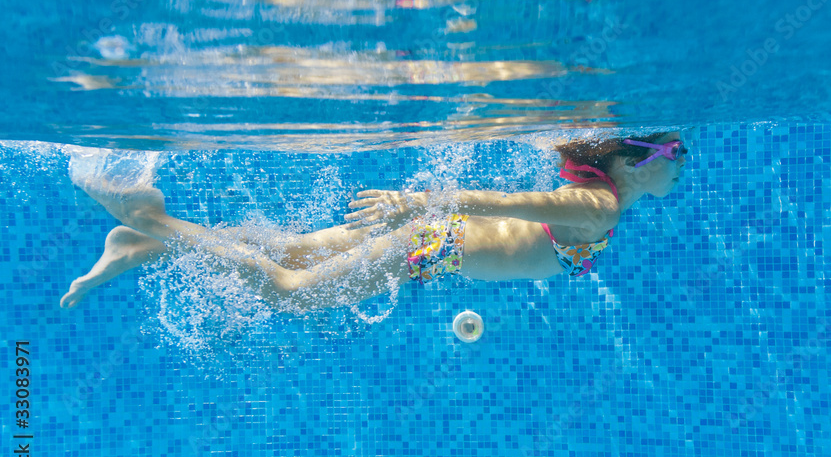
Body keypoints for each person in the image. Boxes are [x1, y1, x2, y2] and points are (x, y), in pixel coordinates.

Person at [60, 132, 687, 311]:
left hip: (437, 240)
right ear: (637, 162)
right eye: (674, 152)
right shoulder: (601, 205)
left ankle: (139, 244)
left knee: (293, 250)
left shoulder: (604, 189)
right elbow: (506, 203)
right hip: (435, 244)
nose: (683, 161)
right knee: (291, 293)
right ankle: (156, 223)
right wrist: (420, 205)